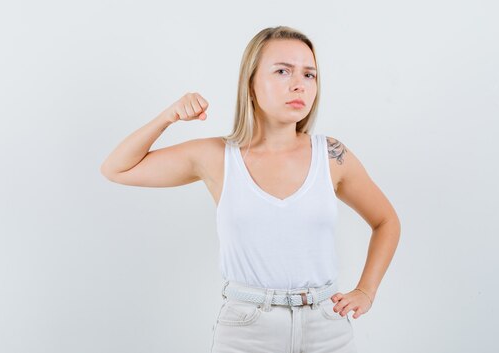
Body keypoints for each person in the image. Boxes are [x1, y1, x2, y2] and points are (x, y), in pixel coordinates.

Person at [100, 26, 401, 353]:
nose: (299, 83)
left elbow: (386, 221)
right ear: (251, 84)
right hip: (247, 331)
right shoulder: (216, 156)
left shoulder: (331, 155)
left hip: (326, 329)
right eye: (283, 71)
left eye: (309, 74)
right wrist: (169, 116)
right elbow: (117, 168)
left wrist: (366, 291)